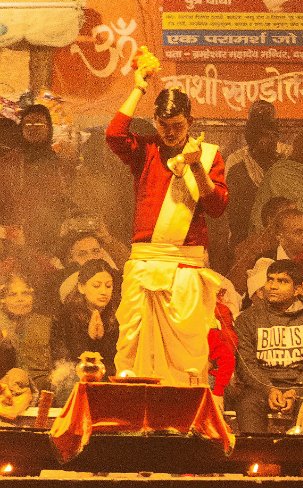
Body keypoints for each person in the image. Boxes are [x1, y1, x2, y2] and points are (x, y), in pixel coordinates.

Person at [106, 54, 227, 384]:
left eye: (178, 126)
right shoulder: (145, 151)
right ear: (155, 121)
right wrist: (138, 88)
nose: (171, 133)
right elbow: (114, 134)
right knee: (132, 350)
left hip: (185, 268)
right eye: (163, 125)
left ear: (191, 121)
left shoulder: (208, 155)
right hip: (144, 264)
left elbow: (217, 206)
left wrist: (196, 166)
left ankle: (184, 410)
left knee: (186, 360)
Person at [229, 259, 303, 433]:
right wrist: (269, 389)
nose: (273, 286)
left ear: (297, 289)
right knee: (247, 402)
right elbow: (246, 364)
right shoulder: (248, 318)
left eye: (282, 281)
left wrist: (296, 391)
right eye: (270, 280)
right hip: (260, 387)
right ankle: (254, 450)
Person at [50, 260, 119, 400]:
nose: (103, 291)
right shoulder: (65, 316)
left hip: (108, 376)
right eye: (96, 286)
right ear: (81, 287)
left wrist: (99, 340)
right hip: (73, 377)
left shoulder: (118, 315)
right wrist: (90, 339)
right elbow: (62, 359)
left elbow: (116, 358)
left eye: (108, 286)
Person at [223, 101, 280, 248]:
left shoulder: (283, 161)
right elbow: (233, 213)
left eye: (273, 135)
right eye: (264, 135)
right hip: (245, 240)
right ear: (253, 137)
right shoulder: (237, 164)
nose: (271, 140)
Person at [0, 274, 51, 389]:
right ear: (3, 299)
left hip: (41, 385)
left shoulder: (46, 323)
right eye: (13, 295)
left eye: (25, 293)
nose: (20, 299)